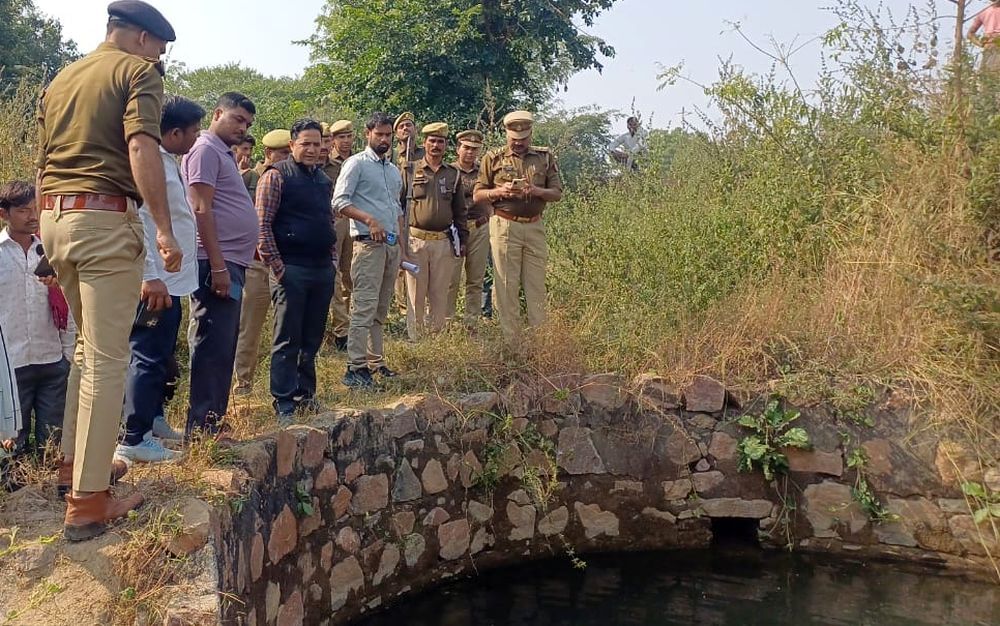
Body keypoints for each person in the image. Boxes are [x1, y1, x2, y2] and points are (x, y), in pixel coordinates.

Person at [36, 0, 182, 541]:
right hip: (103, 222)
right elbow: (141, 144)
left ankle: (74, 470)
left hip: (56, 217)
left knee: (84, 350)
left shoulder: (61, 78)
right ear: (143, 39)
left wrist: (48, 234)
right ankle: (90, 502)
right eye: (160, 48)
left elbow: (45, 160)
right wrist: (163, 229)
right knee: (106, 360)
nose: (160, 58)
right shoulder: (137, 71)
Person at [116, 96, 205, 463]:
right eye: (194, 132)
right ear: (174, 132)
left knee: (162, 355)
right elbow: (137, 223)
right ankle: (133, 437)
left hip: (175, 281)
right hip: (155, 282)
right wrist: (150, 275)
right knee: (147, 355)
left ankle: (152, 420)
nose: (197, 138)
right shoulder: (145, 164)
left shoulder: (168, 163)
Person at [182, 92, 258, 438]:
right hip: (215, 261)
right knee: (212, 342)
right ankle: (203, 426)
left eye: (247, 124)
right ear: (217, 114)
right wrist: (218, 266)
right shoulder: (204, 150)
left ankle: (212, 419)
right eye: (237, 119)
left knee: (224, 341)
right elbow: (200, 208)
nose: (242, 128)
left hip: (231, 259)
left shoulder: (222, 153)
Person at [257, 119, 336, 419]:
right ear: (292, 145)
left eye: (317, 143)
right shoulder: (276, 177)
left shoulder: (322, 180)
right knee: (287, 338)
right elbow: (262, 227)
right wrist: (278, 268)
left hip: (320, 270)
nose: (313, 149)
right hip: (291, 269)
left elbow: (327, 221)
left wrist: (330, 261)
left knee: (311, 338)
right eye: (306, 143)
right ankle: (284, 401)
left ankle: (306, 395)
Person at [0, 182, 75, 460]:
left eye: (36, 209)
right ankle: (17, 493)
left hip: (51, 359)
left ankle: (47, 489)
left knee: (52, 443)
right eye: (23, 210)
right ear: (4, 214)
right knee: (11, 443)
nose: (32, 216)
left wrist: (67, 354)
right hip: (11, 364)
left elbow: (70, 304)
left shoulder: (52, 253)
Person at [474, 111, 562, 341]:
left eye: (523, 137)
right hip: (504, 226)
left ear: (530, 134)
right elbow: (478, 195)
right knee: (505, 285)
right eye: (514, 138)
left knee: (536, 286)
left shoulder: (545, 157)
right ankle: (511, 342)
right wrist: (499, 192)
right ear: (506, 134)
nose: (519, 142)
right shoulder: (493, 158)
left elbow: (556, 193)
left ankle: (540, 342)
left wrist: (536, 191)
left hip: (534, 227)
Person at [332, 113, 406, 389]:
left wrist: (403, 246)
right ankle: (355, 366)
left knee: (381, 308)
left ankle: (375, 361)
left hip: (389, 246)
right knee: (363, 306)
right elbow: (339, 201)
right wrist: (368, 219)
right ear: (368, 134)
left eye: (388, 135)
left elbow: (397, 209)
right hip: (367, 244)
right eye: (380, 135)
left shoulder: (392, 169)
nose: (385, 139)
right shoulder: (356, 164)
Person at [233, 129, 291, 396]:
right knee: (249, 328)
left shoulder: (293, 177)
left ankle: (282, 385)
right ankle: (242, 384)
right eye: (281, 153)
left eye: (288, 153)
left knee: (286, 328)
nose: (286, 158)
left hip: (286, 261)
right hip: (257, 264)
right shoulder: (250, 177)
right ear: (268, 154)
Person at [401, 123, 468, 340]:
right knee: (415, 294)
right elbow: (398, 206)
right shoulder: (410, 169)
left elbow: (460, 211)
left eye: (440, 141)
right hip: (415, 241)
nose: (436, 145)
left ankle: (436, 341)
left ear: (446, 145)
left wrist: (463, 239)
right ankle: (415, 339)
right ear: (424, 143)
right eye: (432, 141)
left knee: (440, 295)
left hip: (443, 242)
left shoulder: (453, 174)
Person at [447, 130, 493, 327]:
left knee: (476, 279)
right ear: (458, 149)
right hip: (456, 230)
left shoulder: (483, 172)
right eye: (466, 148)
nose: (470, 152)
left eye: (475, 149)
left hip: (479, 227)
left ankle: (471, 322)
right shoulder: (449, 171)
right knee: (451, 279)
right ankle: (446, 321)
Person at [325, 120, 356, 351]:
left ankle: (347, 320)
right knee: (333, 275)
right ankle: (340, 328)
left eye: (348, 136)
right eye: (338, 137)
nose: (344, 141)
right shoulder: (320, 166)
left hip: (353, 221)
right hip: (330, 223)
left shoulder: (353, 162)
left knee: (350, 273)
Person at [393, 112, 424, 316]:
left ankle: (415, 304)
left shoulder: (423, 154)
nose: (406, 129)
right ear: (396, 133)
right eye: (402, 126)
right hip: (396, 209)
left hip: (417, 211)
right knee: (397, 256)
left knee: (414, 255)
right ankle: (400, 305)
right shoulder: (391, 155)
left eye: (410, 125)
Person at [968, 2, 1000, 72]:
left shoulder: (984, 11)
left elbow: (970, 34)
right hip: (990, 46)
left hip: (990, 46)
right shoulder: (984, 12)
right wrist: (980, 44)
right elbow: (970, 34)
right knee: (989, 75)